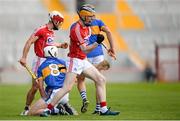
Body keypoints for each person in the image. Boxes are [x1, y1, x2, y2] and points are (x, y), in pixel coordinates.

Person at [40, 5, 119, 116]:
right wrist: (97, 42)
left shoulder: (87, 28)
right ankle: (48, 109)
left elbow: (90, 43)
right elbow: (85, 49)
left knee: (101, 80)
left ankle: (103, 109)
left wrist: (107, 48)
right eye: (90, 16)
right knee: (66, 88)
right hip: (75, 60)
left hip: (82, 60)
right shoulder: (76, 29)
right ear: (84, 16)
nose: (92, 19)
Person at [19, 11, 68, 115]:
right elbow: (29, 42)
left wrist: (60, 45)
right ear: (54, 20)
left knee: (52, 84)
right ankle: (27, 108)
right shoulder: (41, 30)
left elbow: (49, 43)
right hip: (39, 61)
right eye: (59, 22)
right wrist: (24, 57)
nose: (60, 25)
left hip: (49, 60)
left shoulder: (51, 32)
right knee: (36, 86)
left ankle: (53, 107)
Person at [76, 4, 116, 114]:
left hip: (85, 55)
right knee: (98, 81)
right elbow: (108, 32)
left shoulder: (80, 23)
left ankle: (85, 99)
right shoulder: (98, 22)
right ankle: (99, 107)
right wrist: (112, 48)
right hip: (98, 54)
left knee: (80, 79)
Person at [27, 46, 77, 116]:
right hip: (64, 94)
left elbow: (41, 87)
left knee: (31, 113)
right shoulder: (62, 63)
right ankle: (63, 104)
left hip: (53, 94)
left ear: (45, 54)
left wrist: (45, 98)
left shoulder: (42, 67)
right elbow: (73, 79)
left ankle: (58, 110)